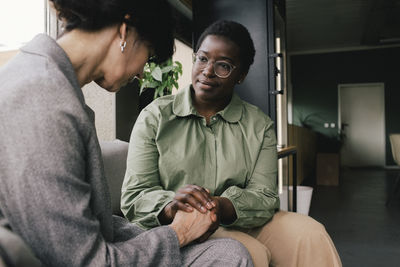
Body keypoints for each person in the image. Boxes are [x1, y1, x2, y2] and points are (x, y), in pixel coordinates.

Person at [0, 1, 254, 266]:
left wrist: (166, 229)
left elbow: (85, 219)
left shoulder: (55, 88)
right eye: (149, 54)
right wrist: (180, 232)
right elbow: (84, 260)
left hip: (99, 245)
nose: (142, 73)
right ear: (125, 32)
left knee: (228, 253)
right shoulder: (40, 100)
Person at [121, 20, 343, 267]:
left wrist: (222, 205)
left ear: (241, 75)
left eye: (224, 65)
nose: (207, 71)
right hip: (180, 225)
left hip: (239, 219)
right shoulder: (155, 117)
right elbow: (135, 196)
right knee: (250, 252)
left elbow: (266, 196)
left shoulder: (260, 126)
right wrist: (172, 206)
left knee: (311, 233)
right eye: (202, 59)